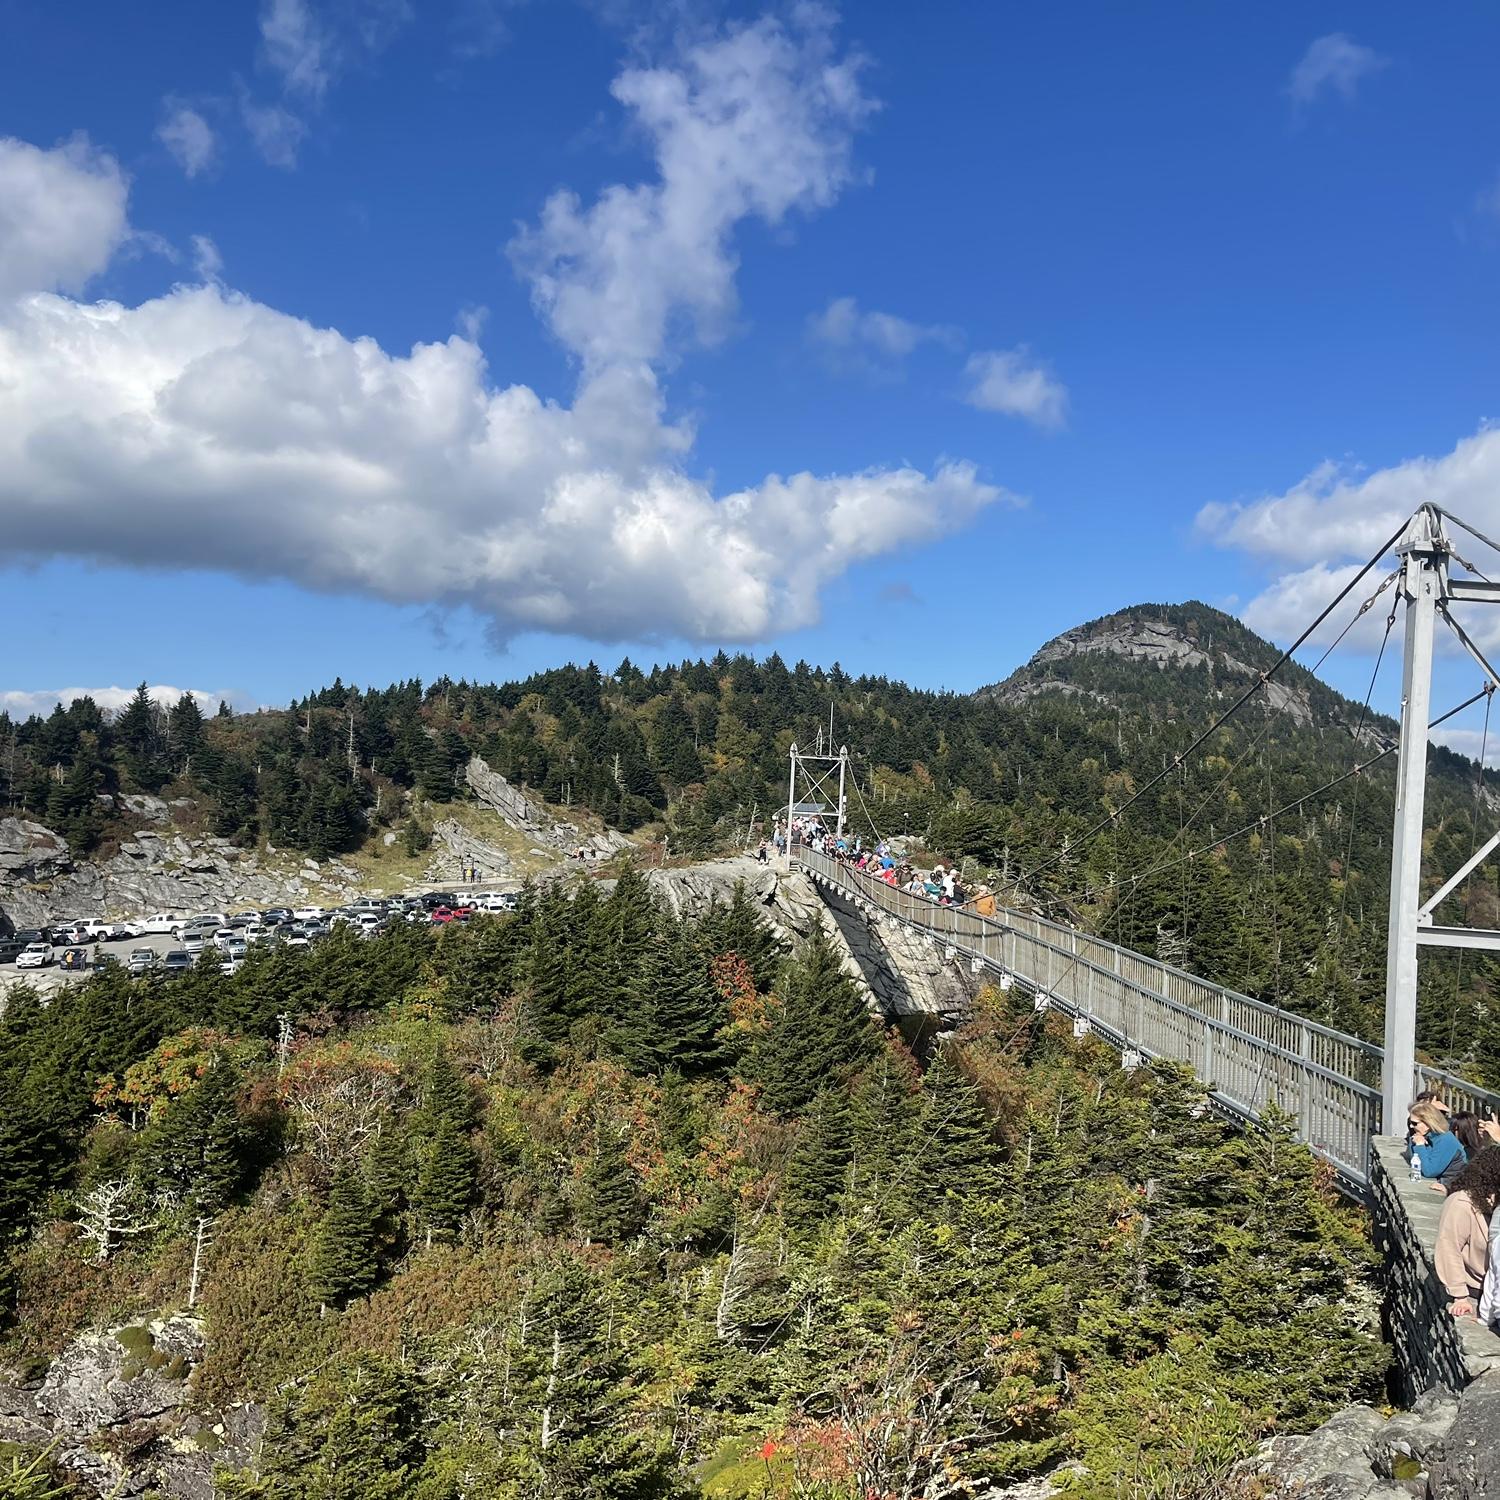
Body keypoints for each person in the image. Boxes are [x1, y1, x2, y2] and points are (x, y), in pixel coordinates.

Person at [1439, 1147, 1500, 1321]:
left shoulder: (1495, 1203)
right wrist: (1460, 1296)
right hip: (1477, 1290)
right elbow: (1448, 1248)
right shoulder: (1461, 1203)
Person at [1408, 1101, 1467, 1183]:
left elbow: (1429, 1171)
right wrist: (1414, 1142)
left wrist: (1420, 1146)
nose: (1411, 1126)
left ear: (1428, 1123)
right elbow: (1414, 1161)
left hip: (1452, 1184)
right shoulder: (1428, 1136)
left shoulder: (1446, 1140)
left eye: (1414, 1123)